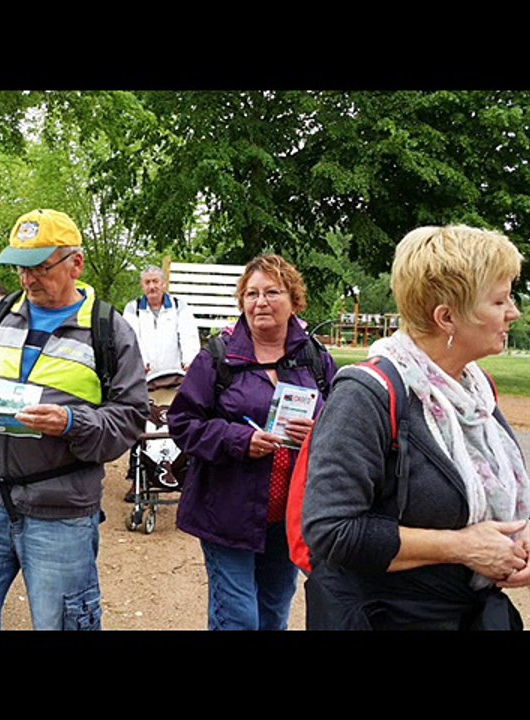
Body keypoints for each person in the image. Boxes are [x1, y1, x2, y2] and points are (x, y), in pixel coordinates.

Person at [302, 225, 529, 630]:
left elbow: (491, 499)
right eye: (499, 300)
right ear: (447, 317)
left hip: (469, 612)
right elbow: (331, 530)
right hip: (390, 617)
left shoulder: (476, 391)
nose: (513, 313)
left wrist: (518, 542)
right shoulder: (366, 395)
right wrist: (461, 548)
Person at [0, 208, 149, 630]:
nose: (28, 279)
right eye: (21, 268)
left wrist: (72, 423)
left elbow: (131, 417)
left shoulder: (109, 330)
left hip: (61, 513)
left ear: (76, 264)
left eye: (40, 267)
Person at [167, 255, 337, 630]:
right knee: (238, 617)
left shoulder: (315, 358)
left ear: (294, 301)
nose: (260, 302)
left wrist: (317, 431)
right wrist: (238, 439)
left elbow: (341, 424)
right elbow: (182, 422)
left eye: (272, 292)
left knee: (274, 614)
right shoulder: (217, 357)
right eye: (251, 294)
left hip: (289, 514)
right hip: (227, 512)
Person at [122, 266, 200, 380]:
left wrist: (189, 362)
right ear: (142, 286)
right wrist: (141, 362)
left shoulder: (179, 307)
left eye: (155, 281)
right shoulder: (133, 309)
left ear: (163, 284)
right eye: (147, 282)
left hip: (175, 377)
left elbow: (189, 337)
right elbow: (131, 338)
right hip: (143, 378)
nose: (151, 286)